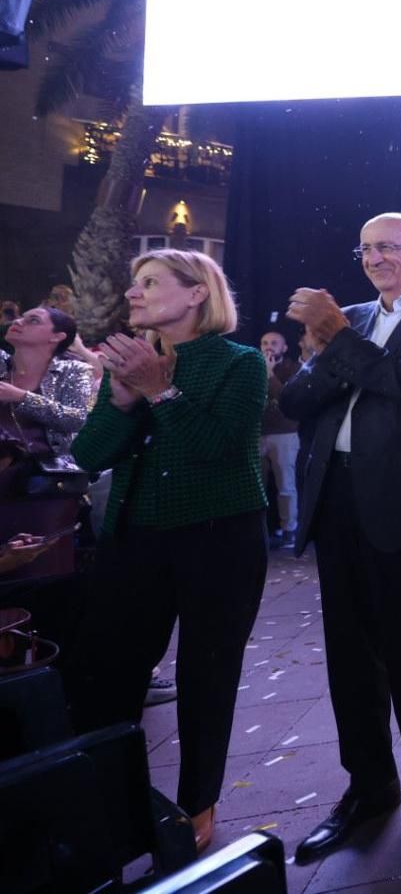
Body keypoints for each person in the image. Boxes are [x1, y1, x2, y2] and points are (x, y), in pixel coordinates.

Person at [68, 249, 268, 853]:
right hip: (134, 535)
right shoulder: (132, 363)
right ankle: (109, 799)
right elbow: (89, 455)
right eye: (135, 283)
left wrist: (159, 390)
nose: (134, 292)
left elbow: (217, 450)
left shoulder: (240, 363)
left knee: (208, 673)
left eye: (150, 282)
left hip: (220, 537)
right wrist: (122, 402)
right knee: (107, 672)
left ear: (197, 293)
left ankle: (197, 803)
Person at [279, 213, 401, 865]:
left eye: (388, 247)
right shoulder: (351, 317)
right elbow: (297, 401)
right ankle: (370, 785)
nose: (375, 258)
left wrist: (340, 344)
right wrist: (338, 350)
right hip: (338, 501)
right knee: (349, 655)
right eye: (365, 249)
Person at [0, 307, 95, 475]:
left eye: (33, 320)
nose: (17, 321)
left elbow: (78, 420)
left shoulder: (75, 370)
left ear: (57, 337)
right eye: (21, 317)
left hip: (49, 473)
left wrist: (22, 397)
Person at [257, 330, 300, 547]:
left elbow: (286, 399)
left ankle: (289, 530)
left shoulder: (293, 368)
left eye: (274, 343)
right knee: (257, 487)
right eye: (264, 343)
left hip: (285, 433)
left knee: (286, 485)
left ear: (284, 348)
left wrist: (269, 373)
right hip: (258, 434)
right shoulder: (252, 367)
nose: (268, 346)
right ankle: (259, 530)